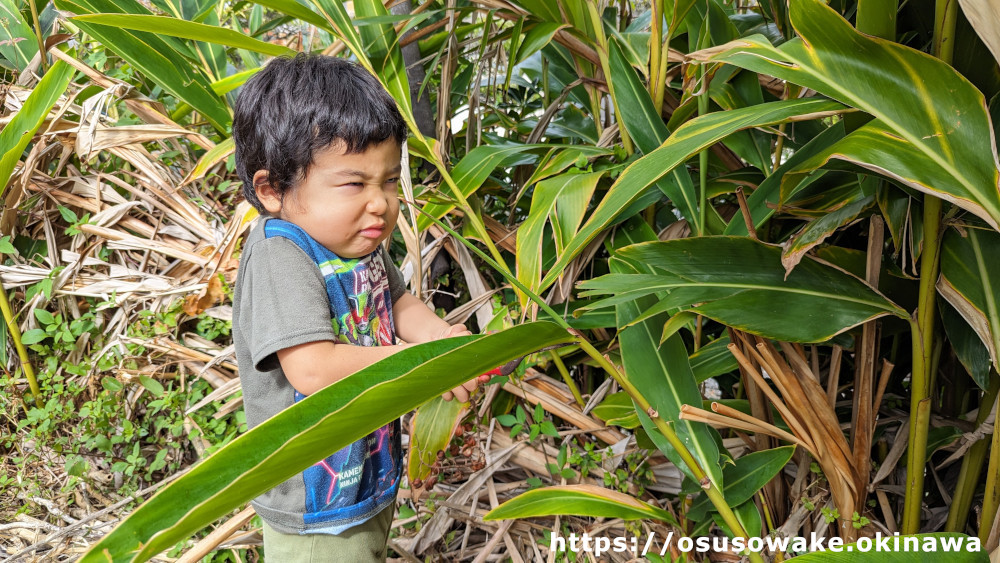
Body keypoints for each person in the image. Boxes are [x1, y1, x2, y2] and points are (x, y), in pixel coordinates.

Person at [231, 53, 484, 562]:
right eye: (355, 183)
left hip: (365, 470)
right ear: (272, 190)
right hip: (315, 503)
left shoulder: (356, 239)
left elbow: (393, 299)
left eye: (389, 181)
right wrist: (423, 366)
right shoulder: (284, 253)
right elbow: (313, 367)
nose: (381, 203)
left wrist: (441, 340)